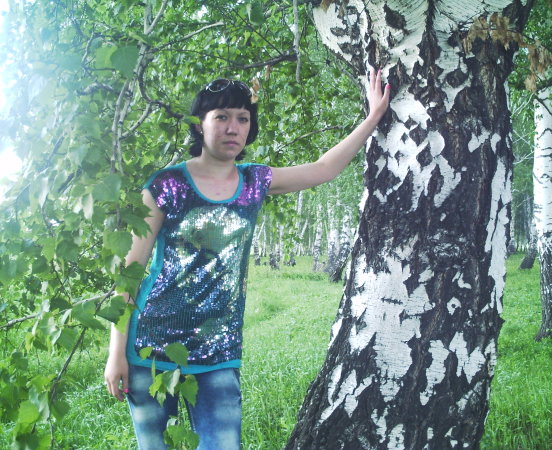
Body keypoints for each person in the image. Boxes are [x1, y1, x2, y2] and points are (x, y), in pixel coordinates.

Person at [104, 69, 390, 449]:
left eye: (242, 118)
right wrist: (116, 353)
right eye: (221, 116)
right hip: (150, 349)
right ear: (200, 124)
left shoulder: (254, 182)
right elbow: (130, 272)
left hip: (219, 352)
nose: (233, 128)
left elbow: (323, 169)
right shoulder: (166, 185)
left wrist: (373, 117)